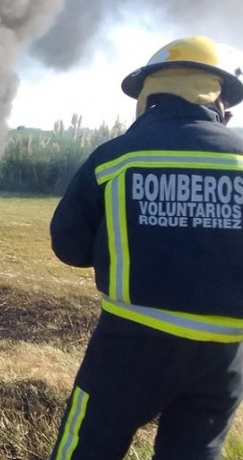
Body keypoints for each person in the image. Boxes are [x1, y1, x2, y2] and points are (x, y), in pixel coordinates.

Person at [49, 36, 243, 460]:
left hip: (129, 345)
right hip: (225, 355)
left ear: (149, 94)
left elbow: (68, 246)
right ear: (219, 97)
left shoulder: (115, 157)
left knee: (88, 447)